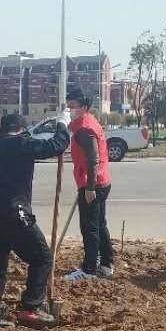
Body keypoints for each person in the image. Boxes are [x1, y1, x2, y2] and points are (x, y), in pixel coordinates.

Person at [0, 112, 70, 328]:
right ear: (20, 130)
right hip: (15, 216)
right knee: (43, 257)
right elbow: (56, 145)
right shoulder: (20, 143)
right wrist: (63, 125)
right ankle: (31, 307)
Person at [61, 88, 115, 282]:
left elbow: (93, 158)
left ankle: (89, 269)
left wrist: (90, 187)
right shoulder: (88, 122)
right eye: (67, 106)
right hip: (101, 181)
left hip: (93, 184)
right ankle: (106, 264)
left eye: (73, 106)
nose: (69, 109)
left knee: (89, 227)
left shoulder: (84, 127)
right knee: (100, 225)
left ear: (84, 107)